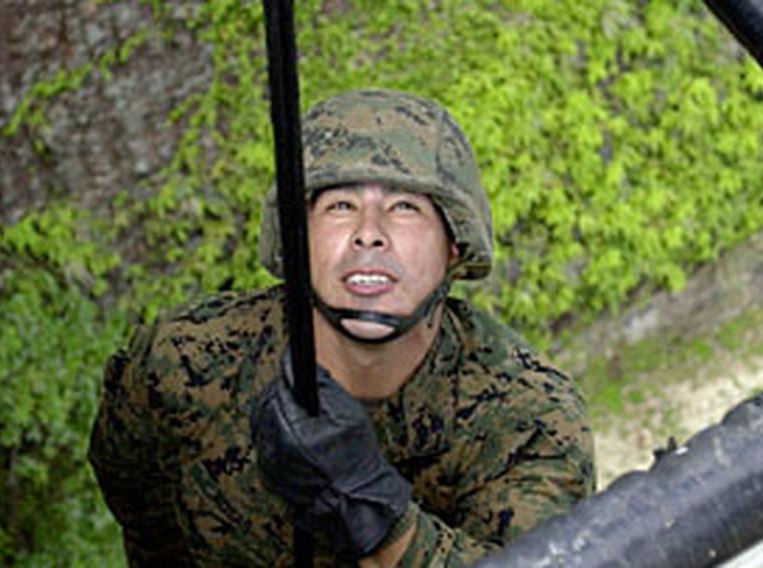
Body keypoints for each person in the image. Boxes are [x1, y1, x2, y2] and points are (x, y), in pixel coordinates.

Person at [88, 88, 595, 567]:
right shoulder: (181, 363)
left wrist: (375, 515)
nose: (368, 234)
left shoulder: (529, 419)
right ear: (297, 240)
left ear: (454, 248)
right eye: (340, 206)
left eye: (405, 208)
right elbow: (144, 517)